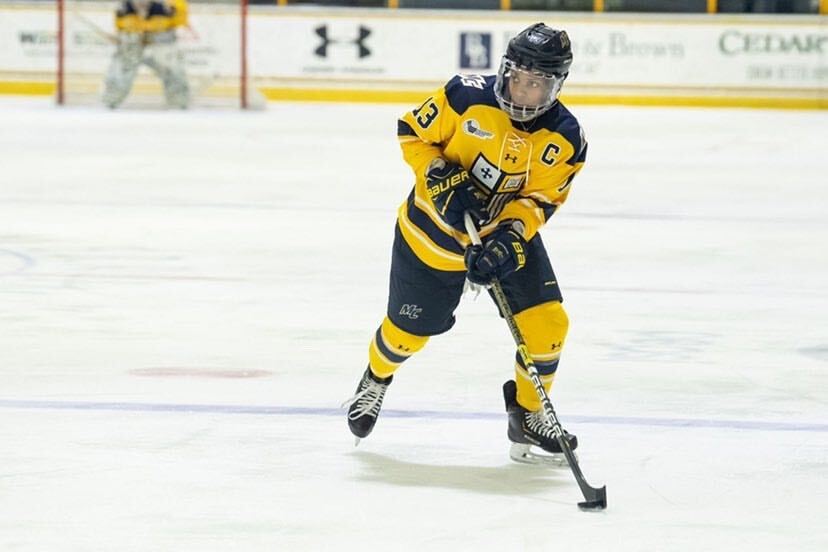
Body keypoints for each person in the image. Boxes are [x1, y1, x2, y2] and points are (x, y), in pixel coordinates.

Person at [344, 23, 588, 464]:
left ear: (555, 87)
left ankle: (529, 417)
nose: (522, 90)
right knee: (407, 334)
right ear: (504, 69)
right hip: (430, 235)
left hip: (499, 235)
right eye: (517, 77)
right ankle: (376, 379)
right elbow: (412, 131)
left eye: (536, 84)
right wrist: (439, 175)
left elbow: (540, 200)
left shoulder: (566, 139)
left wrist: (511, 239)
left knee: (549, 324)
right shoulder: (464, 96)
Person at [102, 0, 191, 109]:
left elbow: (179, 25)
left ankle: (179, 100)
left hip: (161, 43)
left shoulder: (170, 6)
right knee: (121, 69)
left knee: (172, 69)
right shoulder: (124, 8)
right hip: (133, 44)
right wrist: (122, 36)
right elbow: (120, 27)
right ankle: (110, 100)